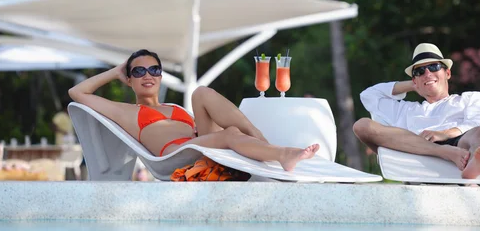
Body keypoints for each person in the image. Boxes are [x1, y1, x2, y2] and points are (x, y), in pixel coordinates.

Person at [68, 49, 319, 172]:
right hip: (176, 154)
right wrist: (115, 71)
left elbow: (203, 130)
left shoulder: (174, 107)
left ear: (161, 76)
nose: (148, 75)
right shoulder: (124, 112)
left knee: (200, 92)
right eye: (138, 71)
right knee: (228, 135)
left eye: (154, 70)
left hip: (198, 143)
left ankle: (260, 139)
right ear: (129, 78)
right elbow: (78, 93)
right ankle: (282, 153)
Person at [353, 43, 480, 179]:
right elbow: (368, 96)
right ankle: (445, 153)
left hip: (460, 144)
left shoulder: (469, 98)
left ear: (447, 73)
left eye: (434, 67)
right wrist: (415, 84)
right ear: (414, 80)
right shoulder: (406, 109)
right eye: (420, 71)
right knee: (362, 125)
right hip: (419, 148)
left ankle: (477, 163)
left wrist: (445, 133)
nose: (428, 73)